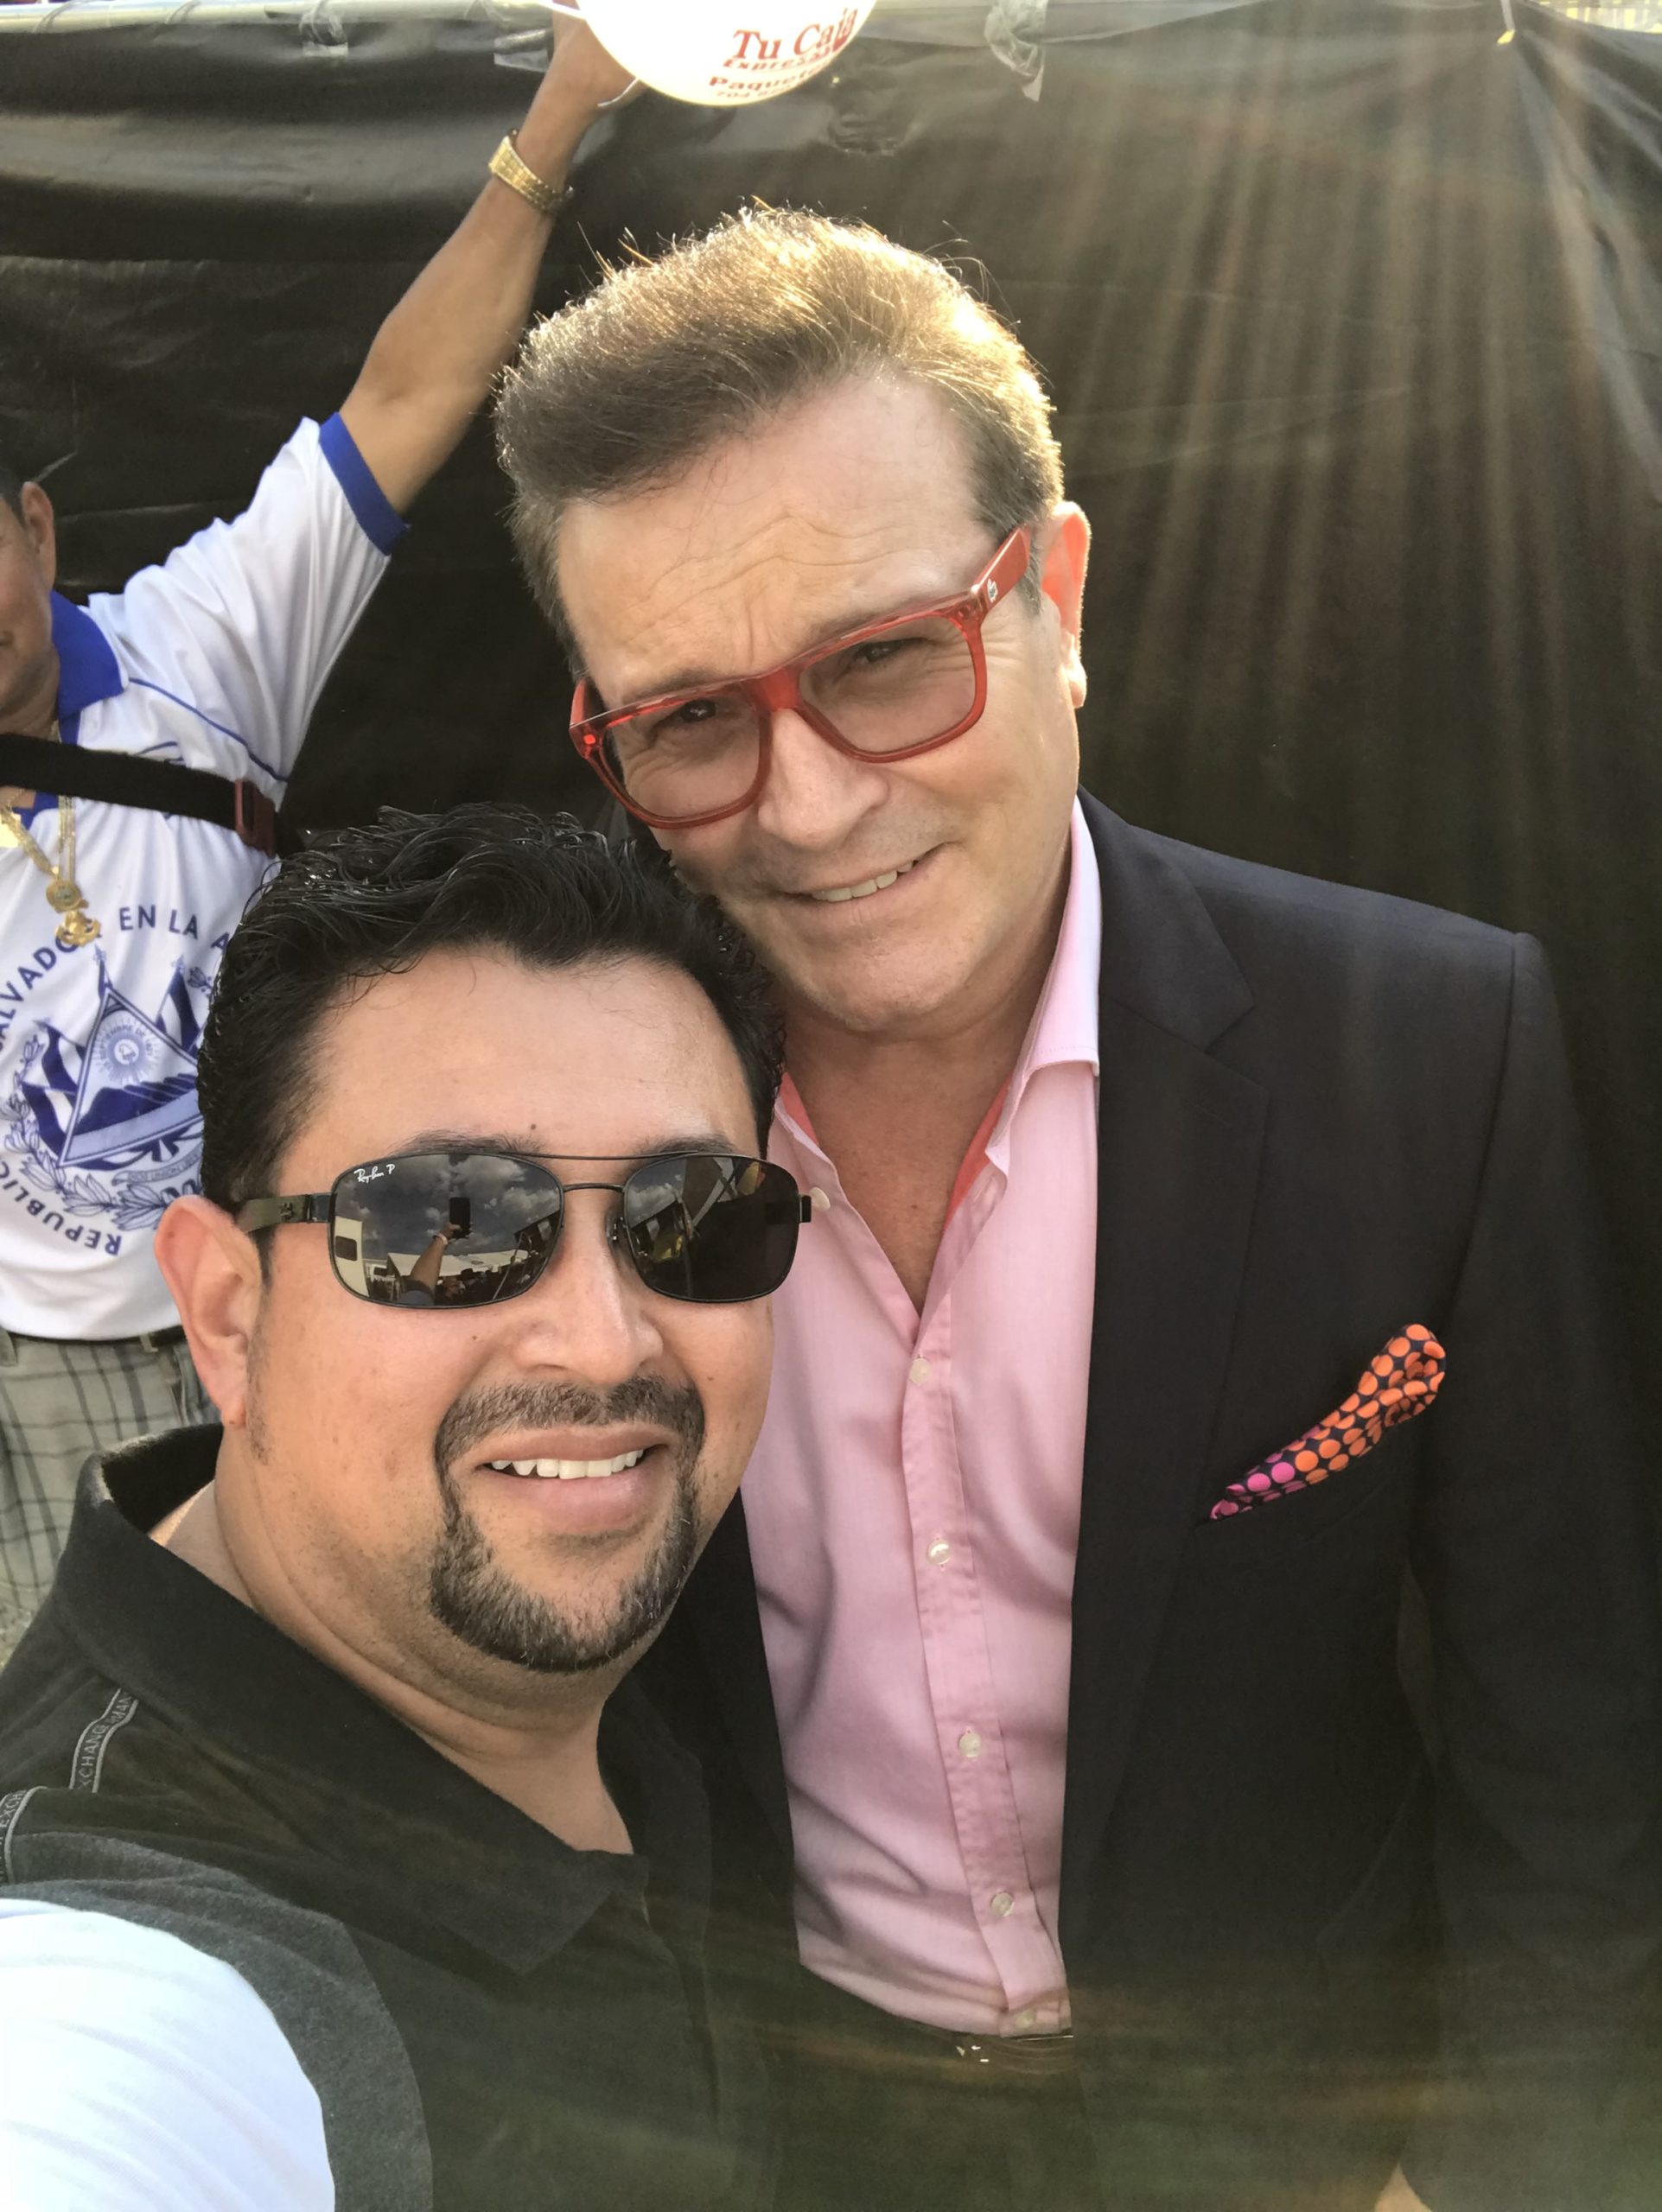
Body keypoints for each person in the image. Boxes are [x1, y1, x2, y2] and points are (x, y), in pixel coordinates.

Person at [494, 210, 1662, 2212]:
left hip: (1301, 2136)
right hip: (769, 2128)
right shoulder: (546, 1122)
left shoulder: (1427, 1048)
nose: (805, 804)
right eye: (689, 720)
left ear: (1054, 593)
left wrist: (1487, 2175)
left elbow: (1570, 1740)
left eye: (882, 659)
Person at [0, 802, 811, 2209]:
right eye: (451, 1225)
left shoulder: (587, 1618)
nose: (603, 1343)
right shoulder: (130, 1987)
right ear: (228, 1313)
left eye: (688, 1217)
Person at [0, 22, 635, 1655]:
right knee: (71, 1716)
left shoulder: (204, 648)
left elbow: (408, 396)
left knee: (342, 1675)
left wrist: (565, 106)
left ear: (39, 529)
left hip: (275, 1310)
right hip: (32, 1369)